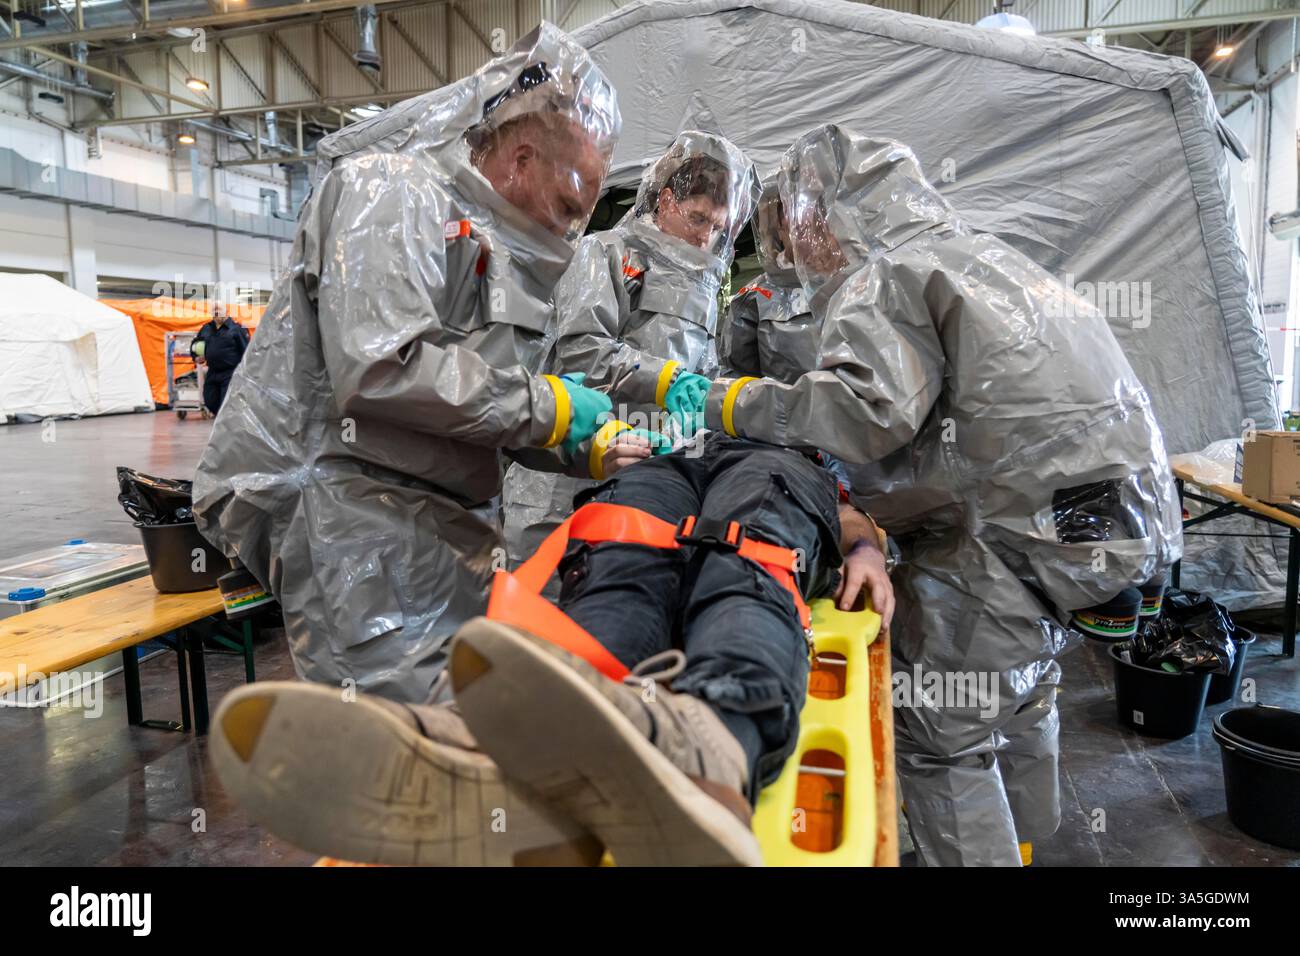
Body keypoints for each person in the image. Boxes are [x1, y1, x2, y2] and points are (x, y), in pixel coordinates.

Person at [677, 125, 1182, 866]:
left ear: (826, 214)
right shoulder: (988, 258)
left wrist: (724, 402)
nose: (797, 252)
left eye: (797, 230)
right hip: (1118, 525)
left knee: (943, 733)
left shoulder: (884, 277)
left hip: (1012, 533)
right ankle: (1035, 840)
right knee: (1026, 685)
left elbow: (867, 415)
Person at [211, 432, 895, 866]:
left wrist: (864, 545)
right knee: (617, 559)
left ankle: (711, 743)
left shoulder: (808, 438)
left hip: (775, 459)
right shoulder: (682, 415)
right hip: (671, 459)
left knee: (749, 562)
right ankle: (493, 753)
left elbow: (854, 515)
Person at [191, 23, 621, 705]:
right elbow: (381, 370)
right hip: (337, 496)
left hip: (427, 508)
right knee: (401, 726)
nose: (571, 232)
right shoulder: (390, 193)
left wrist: (580, 446)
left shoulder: (496, 245)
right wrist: (552, 407)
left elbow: (483, 404)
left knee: (465, 707)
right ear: (520, 158)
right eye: (570, 206)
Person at [502, 131, 759, 570]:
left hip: (647, 474)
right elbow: (583, 350)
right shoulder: (605, 252)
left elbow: (706, 374)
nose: (705, 238)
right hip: (569, 468)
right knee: (544, 609)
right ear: (663, 202)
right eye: (697, 218)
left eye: (717, 228)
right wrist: (666, 380)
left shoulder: (709, 285)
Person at [719, 181, 816, 384]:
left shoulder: (851, 283)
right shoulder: (754, 298)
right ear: (779, 227)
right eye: (794, 213)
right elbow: (735, 382)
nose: (807, 222)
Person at [190, 304, 250, 415]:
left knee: (226, 402)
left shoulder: (237, 329)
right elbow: (195, 343)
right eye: (214, 310)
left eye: (219, 310)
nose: (216, 312)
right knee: (209, 401)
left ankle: (226, 424)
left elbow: (246, 351)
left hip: (230, 372)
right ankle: (221, 418)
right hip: (212, 371)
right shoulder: (206, 328)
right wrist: (195, 357)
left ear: (226, 312)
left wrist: (245, 372)